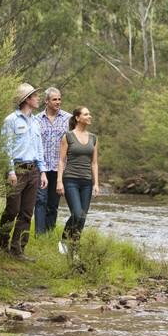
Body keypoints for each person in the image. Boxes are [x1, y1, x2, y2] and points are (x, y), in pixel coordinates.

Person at [0, 83, 47, 261]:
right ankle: (2, 245)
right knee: (12, 209)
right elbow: (5, 147)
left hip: (33, 170)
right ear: (27, 99)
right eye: (35, 96)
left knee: (27, 212)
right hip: (16, 171)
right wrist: (10, 171)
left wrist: (42, 172)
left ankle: (18, 250)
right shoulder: (11, 120)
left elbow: (39, 147)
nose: (38, 98)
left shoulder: (35, 122)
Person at [56, 106, 100, 250]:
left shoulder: (93, 138)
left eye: (89, 114)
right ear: (77, 118)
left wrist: (96, 184)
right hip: (71, 180)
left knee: (82, 217)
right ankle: (63, 240)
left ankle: (75, 247)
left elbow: (94, 162)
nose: (89, 116)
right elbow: (61, 161)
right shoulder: (68, 136)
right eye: (86, 114)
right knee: (77, 213)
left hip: (86, 182)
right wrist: (59, 181)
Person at [34, 87, 71, 234]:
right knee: (40, 200)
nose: (58, 102)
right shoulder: (36, 120)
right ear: (46, 101)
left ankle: (48, 233)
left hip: (59, 168)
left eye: (59, 99)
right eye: (54, 99)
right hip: (41, 168)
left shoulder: (68, 119)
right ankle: (39, 234)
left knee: (53, 204)